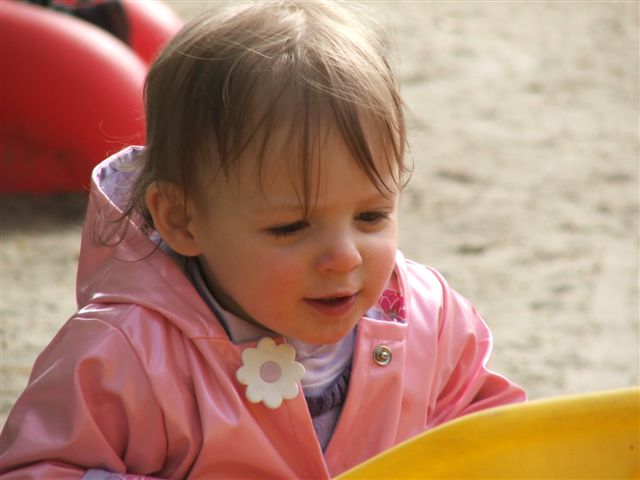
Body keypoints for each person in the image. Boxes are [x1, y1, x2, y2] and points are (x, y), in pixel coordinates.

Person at [0, 1, 526, 478]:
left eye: (371, 215)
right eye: (291, 227)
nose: (344, 256)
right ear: (182, 220)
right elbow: (37, 469)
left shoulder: (430, 322)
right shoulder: (126, 354)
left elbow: (494, 437)